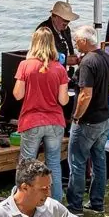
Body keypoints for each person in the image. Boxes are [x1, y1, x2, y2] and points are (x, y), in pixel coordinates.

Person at [14, 27, 70, 201]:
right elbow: (63, 101)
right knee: (53, 163)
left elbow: (18, 94)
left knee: (26, 164)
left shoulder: (25, 65)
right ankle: (56, 203)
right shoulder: (59, 68)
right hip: (54, 121)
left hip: (32, 120)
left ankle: (23, 201)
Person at [66, 25, 109, 217]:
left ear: (85, 41)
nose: (75, 44)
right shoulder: (106, 57)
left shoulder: (87, 62)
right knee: (99, 160)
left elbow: (85, 95)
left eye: (77, 40)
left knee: (77, 162)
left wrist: (77, 116)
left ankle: (75, 206)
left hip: (89, 120)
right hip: (105, 116)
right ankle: (97, 202)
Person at [37, 0, 78, 65]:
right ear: (54, 17)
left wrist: (76, 58)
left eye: (68, 20)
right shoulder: (43, 30)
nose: (67, 23)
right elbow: (41, 55)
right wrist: (64, 60)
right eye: (65, 19)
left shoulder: (66, 29)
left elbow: (70, 49)